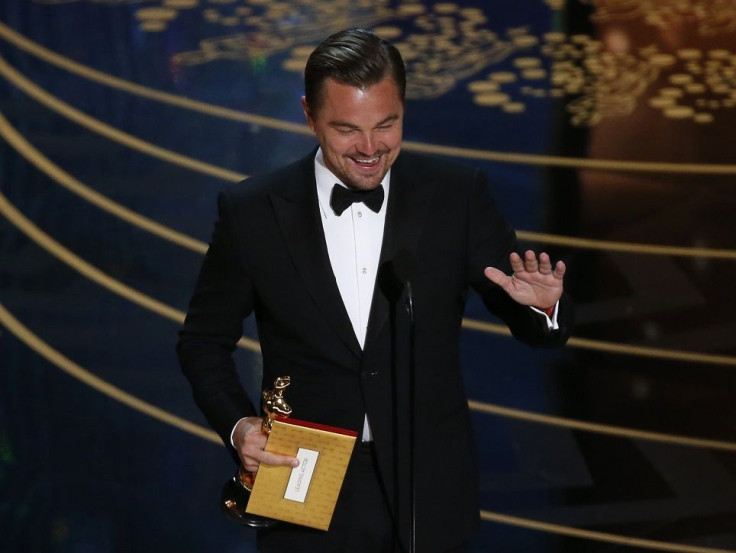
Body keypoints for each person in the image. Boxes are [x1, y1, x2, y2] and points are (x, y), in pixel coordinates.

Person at [177, 28, 572, 553]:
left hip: (428, 483)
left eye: (387, 125)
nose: (369, 149)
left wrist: (543, 308)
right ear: (309, 115)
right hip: (302, 477)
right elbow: (203, 341)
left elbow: (532, 325)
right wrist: (238, 427)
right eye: (347, 130)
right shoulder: (253, 212)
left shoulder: (457, 196)